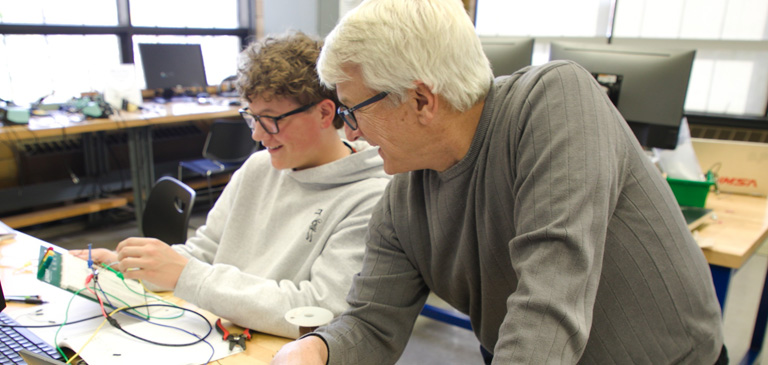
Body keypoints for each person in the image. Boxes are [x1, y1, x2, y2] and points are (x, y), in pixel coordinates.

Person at [270, 0, 725, 363]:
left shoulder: (555, 103)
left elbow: (547, 307)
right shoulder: (401, 203)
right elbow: (371, 324)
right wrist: (317, 350)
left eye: (353, 111)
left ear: (421, 99)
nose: (350, 132)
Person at [71, 31, 391, 339]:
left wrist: (186, 275)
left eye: (270, 119)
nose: (257, 135)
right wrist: (130, 267)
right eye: (251, 118)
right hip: (219, 329)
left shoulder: (368, 197)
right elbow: (206, 252)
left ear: (324, 112)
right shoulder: (257, 167)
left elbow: (319, 310)